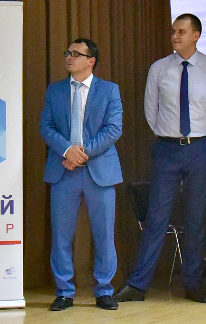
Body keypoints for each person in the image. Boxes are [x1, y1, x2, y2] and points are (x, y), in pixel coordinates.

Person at [114, 13, 206, 304]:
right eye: (173, 31)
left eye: (181, 31)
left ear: (196, 35)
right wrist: (168, 136)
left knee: (195, 217)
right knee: (156, 217)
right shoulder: (159, 68)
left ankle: (193, 283)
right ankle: (138, 285)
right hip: (167, 149)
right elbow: (150, 110)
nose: (175, 36)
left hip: (202, 148)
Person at [40, 38, 123, 311]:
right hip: (64, 172)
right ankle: (64, 292)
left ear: (91, 60)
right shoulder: (55, 90)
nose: (69, 57)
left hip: (99, 171)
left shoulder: (109, 90)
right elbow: (46, 127)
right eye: (68, 52)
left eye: (76, 54)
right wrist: (67, 150)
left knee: (104, 234)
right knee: (61, 235)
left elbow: (113, 129)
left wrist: (81, 153)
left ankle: (104, 291)